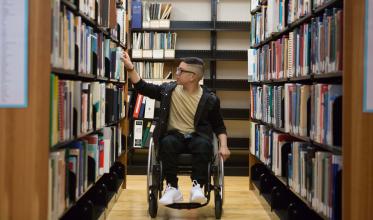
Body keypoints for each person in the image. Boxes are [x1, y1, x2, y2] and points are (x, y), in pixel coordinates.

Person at [121, 52, 230, 205]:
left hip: (197, 136)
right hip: (174, 135)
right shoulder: (168, 91)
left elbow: (219, 125)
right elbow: (143, 88)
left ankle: (197, 187)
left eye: (180, 70)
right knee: (166, 143)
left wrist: (224, 146)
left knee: (204, 144)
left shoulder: (210, 99)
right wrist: (131, 68)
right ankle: (172, 188)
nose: (176, 73)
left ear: (192, 76)